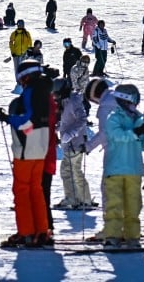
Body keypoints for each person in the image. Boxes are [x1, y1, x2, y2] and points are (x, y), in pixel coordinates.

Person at [0, 59, 53, 247]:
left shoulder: (30, 91)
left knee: (22, 189)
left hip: (27, 145)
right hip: (42, 144)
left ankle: (26, 231)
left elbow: (27, 120)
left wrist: (8, 118)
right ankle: (41, 230)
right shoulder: (45, 90)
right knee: (36, 189)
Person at [100, 84, 144, 248]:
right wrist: (136, 132)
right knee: (114, 204)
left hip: (133, 169)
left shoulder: (138, 118)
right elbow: (118, 136)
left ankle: (132, 236)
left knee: (133, 204)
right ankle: (112, 236)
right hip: (115, 168)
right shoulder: (114, 118)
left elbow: (141, 143)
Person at [52, 77, 93, 209]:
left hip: (74, 143)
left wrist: (69, 134)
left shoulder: (73, 100)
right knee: (75, 170)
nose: (55, 95)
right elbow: (67, 120)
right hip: (72, 142)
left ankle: (73, 199)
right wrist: (58, 127)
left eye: (56, 92)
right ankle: (84, 199)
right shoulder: (67, 101)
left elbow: (82, 119)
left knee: (67, 170)